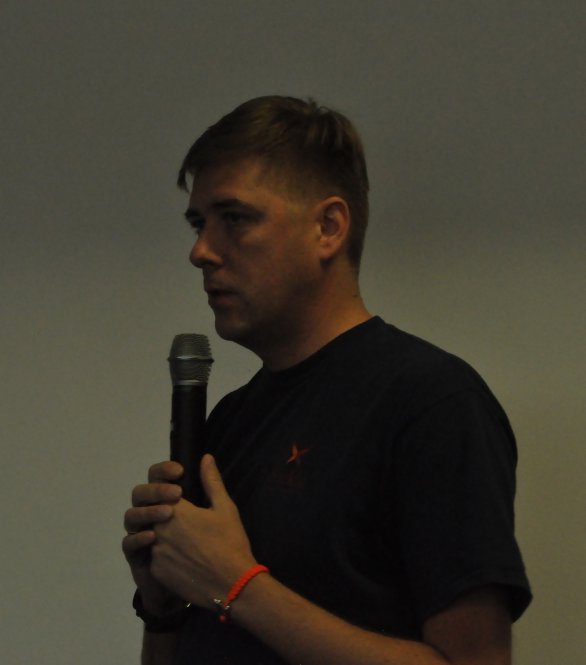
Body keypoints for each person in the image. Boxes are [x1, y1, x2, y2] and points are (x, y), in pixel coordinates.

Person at [121, 96, 531, 665]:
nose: (201, 251)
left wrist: (237, 587)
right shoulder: (234, 418)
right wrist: (163, 603)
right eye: (198, 224)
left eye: (234, 219)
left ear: (328, 228)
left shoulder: (431, 402)